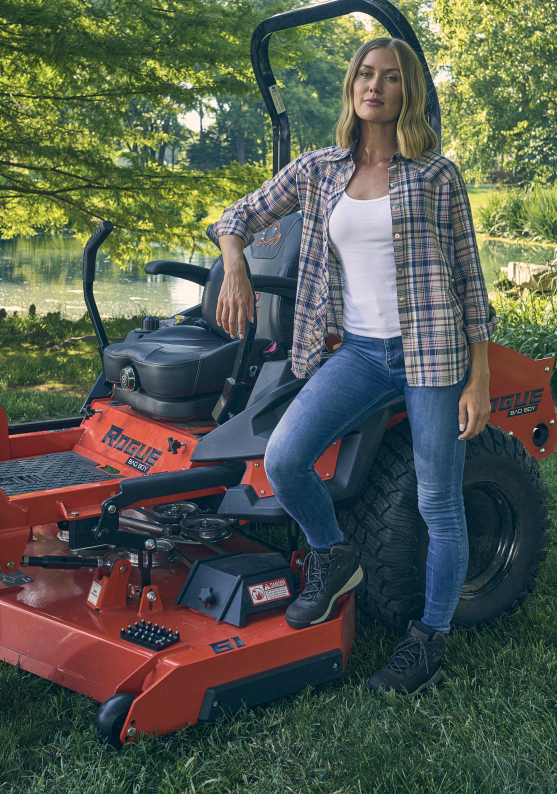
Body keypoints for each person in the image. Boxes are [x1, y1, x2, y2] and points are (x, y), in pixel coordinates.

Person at [209, 36, 496, 694]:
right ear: (352, 86)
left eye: (391, 78)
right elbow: (238, 217)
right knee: (283, 459)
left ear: (407, 93)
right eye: (365, 74)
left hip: (434, 356)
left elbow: (470, 282)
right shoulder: (319, 170)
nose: (376, 86)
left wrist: (477, 378)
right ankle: (334, 554)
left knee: (437, 503)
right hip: (361, 352)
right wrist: (235, 268)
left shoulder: (435, 175)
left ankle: (428, 639)